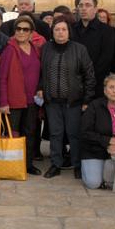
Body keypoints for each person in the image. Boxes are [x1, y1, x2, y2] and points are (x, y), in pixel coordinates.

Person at [39, 19, 95, 179]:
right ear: (52, 32)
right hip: (52, 102)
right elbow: (42, 73)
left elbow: (89, 76)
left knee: (74, 134)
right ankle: (56, 164)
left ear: (69, 32)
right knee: (56, 134)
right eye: (57, 29)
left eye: (64, 29)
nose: (60, 32)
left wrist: (86, 100)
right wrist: (41, 88)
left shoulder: (79, 49)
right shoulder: (46, 48)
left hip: (74, 102)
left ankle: (77, 165)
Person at [0, 15, 44, 176]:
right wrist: (3, 102)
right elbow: (2, 78)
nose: (21, 32)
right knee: (13, 133)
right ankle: (11, 165)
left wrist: (40, 88)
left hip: (32, 100)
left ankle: (28, 164)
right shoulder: (10, 49)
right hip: (13, 100)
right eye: (18, 29)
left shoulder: (36, 49)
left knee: (30, 133)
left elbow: (40, 74)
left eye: (25, 29)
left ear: (31, 32)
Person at [71, 0, 115, 99]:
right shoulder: (71, 29)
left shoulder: (107, 31)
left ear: (95, 9)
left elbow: (106, 58)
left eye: (88, 5)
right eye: (81, 5)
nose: (83, 8)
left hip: (97, 84)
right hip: (74, 83)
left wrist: (89, 77)